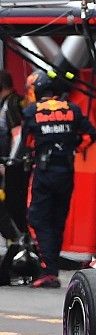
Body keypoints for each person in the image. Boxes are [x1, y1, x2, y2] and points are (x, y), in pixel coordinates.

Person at [19, 70, 96, 288]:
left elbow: (28, 143)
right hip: (66, 172)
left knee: (37, 219)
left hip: (43, 172)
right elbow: (92, 135)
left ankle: (49, 269)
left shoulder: (31, 111)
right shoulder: (72, 109)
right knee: (57, 221)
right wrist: (73, 148)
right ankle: (50, 269)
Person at [0, 70, 24, 243]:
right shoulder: (10, 102)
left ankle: (18, 242)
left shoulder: (11, 104)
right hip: (13, 164)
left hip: (13, 166)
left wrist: (9, 162)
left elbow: (18, 135)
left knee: (13, 205)